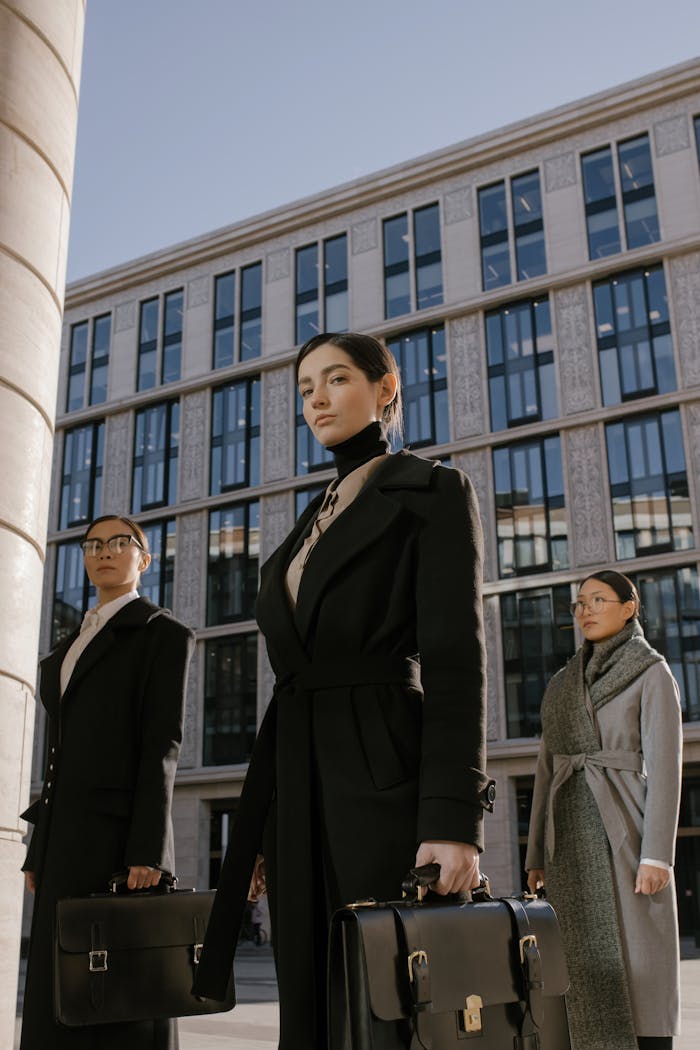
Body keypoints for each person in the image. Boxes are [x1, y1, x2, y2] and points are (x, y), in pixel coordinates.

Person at [193, 332, 494, 1048]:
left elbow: (456, 660)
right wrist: (262, 825)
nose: (318, 399)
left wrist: (454, 820)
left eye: (335, 380)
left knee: (389, 993)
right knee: (311, 993)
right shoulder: (309, 518)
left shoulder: (433, 489)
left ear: (385, 388)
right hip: (298, 774)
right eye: (305, 389)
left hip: (381, 760)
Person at [20, 514, 195, 1050]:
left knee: (123, 990)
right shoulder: (66, 647)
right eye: (93, 544)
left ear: (144, 560)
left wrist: (148, 850)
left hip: (121, 843)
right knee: (60, 987)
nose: (104, 551)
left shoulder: (161, 633)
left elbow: (161, 746)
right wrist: (38, 850)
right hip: (63, 844)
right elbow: (59, 757)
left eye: (120, 542)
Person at [525, 569, 682, 1050]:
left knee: (639, 962)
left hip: (627, 830)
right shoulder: (562, 685)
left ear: (630, 607)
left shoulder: (651, 671)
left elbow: (665, 764)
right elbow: (546, 772)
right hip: (569, 835)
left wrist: (658, 855)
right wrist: (535, 855)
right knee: (579, 963)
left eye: (598, 599)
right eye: (579, 604)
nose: (585, 610)